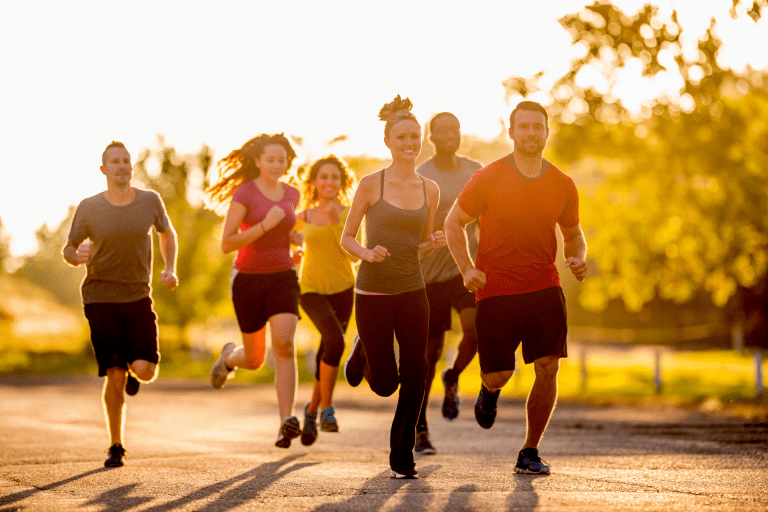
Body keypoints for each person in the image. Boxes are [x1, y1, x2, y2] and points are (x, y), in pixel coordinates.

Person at [444, 101, 588, 475]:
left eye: (537, 127)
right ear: (511, 133)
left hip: (544, 286)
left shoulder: (562, 183)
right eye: (522, 127)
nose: (530, 133)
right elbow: (452, 223)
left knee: (548, 367)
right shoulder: (488, 177)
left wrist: (577, 256)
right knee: (499, 374)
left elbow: (573, 234)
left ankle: (530, 450)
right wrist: (466, 268)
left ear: (546, 132)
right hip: (496, 290)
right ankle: (489, 392)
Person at [341, 95, 445, 480]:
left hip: (413, 291)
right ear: (388, 141)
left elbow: (416, 245)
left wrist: (430, 244)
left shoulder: (430, 190)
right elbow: (346, 239)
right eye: (402, 137)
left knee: (416, 372)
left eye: (415, 137)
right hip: (372, 293)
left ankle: (402, 456)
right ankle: (365, 350)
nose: (410, 143)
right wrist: (367, 254)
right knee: (385, 385)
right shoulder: (371, 184)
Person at [62, 141, 179, 468]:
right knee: (113, 374)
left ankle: (131, 366)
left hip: (138, 295)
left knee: (145, 370)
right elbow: (68, 248)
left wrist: (169, 268)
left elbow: (167, 233)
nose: (122, 166)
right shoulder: (89, 207)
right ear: (104, 169)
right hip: (100, 297)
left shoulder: (149, 201)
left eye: (126, 161)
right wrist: (75, 256)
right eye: (115, 162)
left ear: (132, 166)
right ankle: (116, 445)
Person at [205, 133, 304, 449]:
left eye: (282, 159)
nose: (277, 165)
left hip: (283, 276)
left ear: (288, 162)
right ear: (258, 161)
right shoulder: (245, 193)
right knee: (255, 358)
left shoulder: (293, 194)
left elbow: (284, 233)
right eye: (271, 159)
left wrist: (294, 240)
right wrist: (264, 226)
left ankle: (285, 422)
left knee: (285, 344)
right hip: (248, 278)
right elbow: (227, 243)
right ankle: (229, 359)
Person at [413, 112, 483, 455]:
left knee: (475, 331)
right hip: (428, 276)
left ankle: (453, 376)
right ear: (431, 136)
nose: (451, 134)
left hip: (463, 270)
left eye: (455, 128)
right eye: (443, 130)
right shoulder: (422, 175)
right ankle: (420, 426)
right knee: (430, 353)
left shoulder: (475, 171)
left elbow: (489, 216)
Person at [294, 155, 358, 445]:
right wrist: (292, 251)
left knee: (327, 348)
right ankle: (327, 411)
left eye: (335, 177)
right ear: (314, 182)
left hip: (344, 288)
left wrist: (335, 224)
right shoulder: (303, 216)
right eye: (324, 177)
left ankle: (310, 411)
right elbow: (288, 247)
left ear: (342, 182)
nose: (329, 182)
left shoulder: (349, 213)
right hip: (310, 290)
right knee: (335, 342)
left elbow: (354, 255)